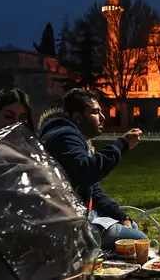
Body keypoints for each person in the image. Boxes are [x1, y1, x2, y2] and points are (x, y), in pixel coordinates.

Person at [38, 88, 146, 250]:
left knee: (133, 229)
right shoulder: (64, 136)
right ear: (77, 117)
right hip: (66, 227)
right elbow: (86, 172)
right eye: (95, 112)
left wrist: (120, 215)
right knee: (138, 241)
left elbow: (91, 188)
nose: (102, 117)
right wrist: (121, 144)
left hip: (76, 218)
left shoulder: (69, 135)